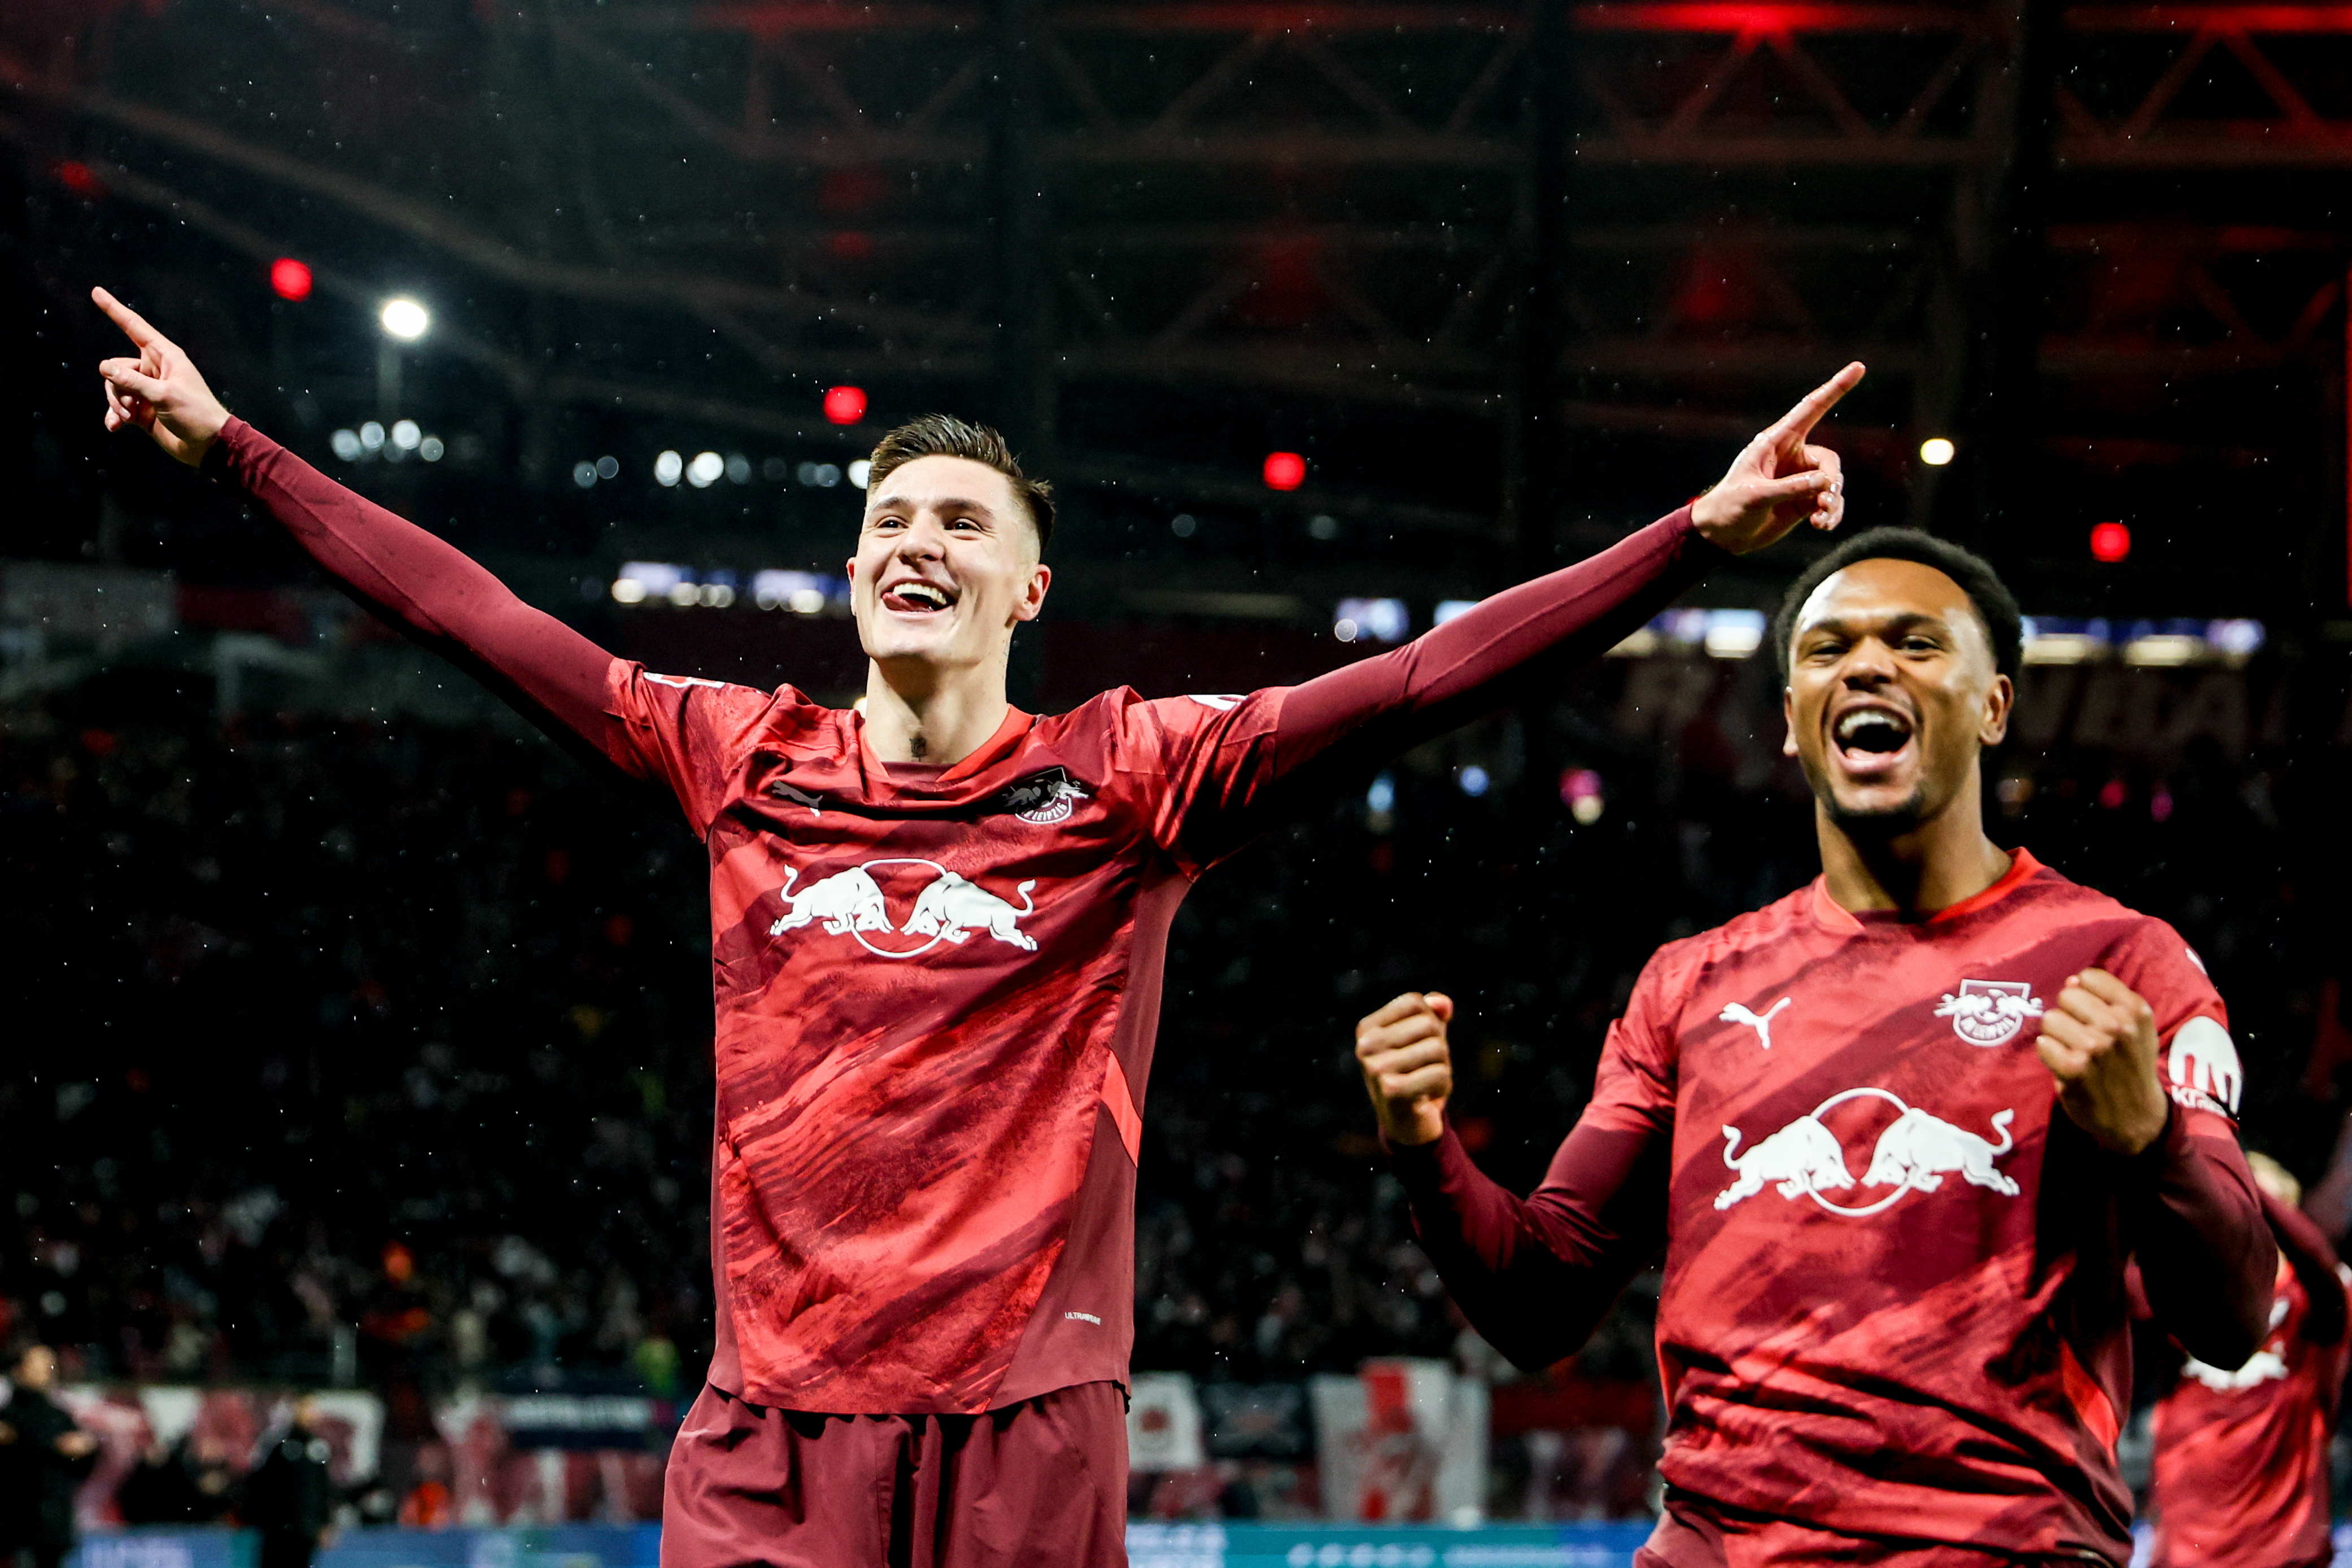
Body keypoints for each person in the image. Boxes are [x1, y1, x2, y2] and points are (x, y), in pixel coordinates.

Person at [90, 284, 1856, 1566]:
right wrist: (235, 448)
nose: (913, 539)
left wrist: (1692, 538)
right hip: (768, 1428)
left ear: (1027, 585)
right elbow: (474, 615)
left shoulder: (1134, 779)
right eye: (888, 519)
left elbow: (1417, 680)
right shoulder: (736, 755)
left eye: (957, 519)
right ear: (855, 570)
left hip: (1021, 1424)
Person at [1352, 527, 2277, 1566]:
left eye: (1916, 642)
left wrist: (2152, 1140)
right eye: (1830, 648)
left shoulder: (2123, 964)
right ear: (1793, 720)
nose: (1868, 665)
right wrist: (1422, 1146)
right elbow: (1541, 1302)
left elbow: (2236, 1320)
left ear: (1994, 707)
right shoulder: (1692, 985)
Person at [2145, 1153, 2352, 1568]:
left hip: (2281, 1551)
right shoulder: (2185, 1296)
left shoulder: (2311, 1306)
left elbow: (2316, 1260)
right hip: (2187, 1550)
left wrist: (2236, 1181)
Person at [0, 1347, 99, 1568]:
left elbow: (81, 1464)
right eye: (38, 1366)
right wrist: (56, 1446)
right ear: (19, 1370)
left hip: (54, 1526)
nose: (46, 1372)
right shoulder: (9, 1415)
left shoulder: (59, 1416)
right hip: (18, 1525)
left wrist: (85, 1450)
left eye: (49, 1366)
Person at [241, 1396, 338, 1568]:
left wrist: (324, 1523)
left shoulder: (318, 1448)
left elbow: (321, 1490)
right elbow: (262, 1484)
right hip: (277, 1529)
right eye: (307, 1408)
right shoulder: (277, 1444)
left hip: (306, 1531)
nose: (313, 1413)